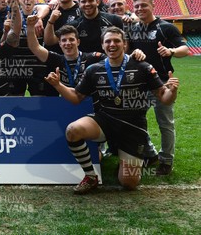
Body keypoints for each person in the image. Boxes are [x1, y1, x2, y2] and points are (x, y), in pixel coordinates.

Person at [44, 27, 179, 194]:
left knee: (128, 183)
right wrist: (58, 85)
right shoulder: (94, 70)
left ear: (124, 44)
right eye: (108, 41)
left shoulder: (142, 66)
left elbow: (163, 97)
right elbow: (76, 97)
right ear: (102, 45)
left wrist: (172, 92)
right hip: (105, 120)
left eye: (116, 41)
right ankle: (90, 176)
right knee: (73, 130)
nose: (112, 44)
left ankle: (128, 159)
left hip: (133, 127)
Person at [127, 0, 189, 175]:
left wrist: (171, 51)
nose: (140, 9)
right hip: (139, 84)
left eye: (144, 5)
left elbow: (184, 49)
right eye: (136, 6)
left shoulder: (165, 27)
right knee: (135, 122)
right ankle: (150, 153)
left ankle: (166, 161)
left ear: (153, 6)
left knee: (165, 123)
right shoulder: (132, 28)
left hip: (161, 82)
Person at [45, 0, 123, 53]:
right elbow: (50, 41)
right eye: (83, 1)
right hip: (82, 68)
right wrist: (51, 21)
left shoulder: (114, 20)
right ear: (79, 4)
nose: (87, 4)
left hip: (106, 67)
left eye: (90, 1)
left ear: (97, 2)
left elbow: (123, 44)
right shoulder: (73, 25)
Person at [8, 0, 50, 96]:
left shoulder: (42, 15)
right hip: (17, 66)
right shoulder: (12, 15)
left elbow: (46, 6)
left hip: (38, 66)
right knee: (15, 100)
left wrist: (39, 18)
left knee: (39, 101)